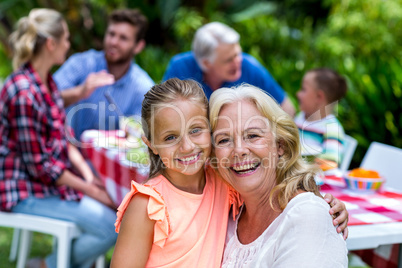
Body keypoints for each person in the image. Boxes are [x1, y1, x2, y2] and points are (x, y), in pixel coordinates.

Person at [111, 78, 348, 267]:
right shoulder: (149, 204)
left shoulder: (221, 183)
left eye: (196, 131)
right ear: (151, 144)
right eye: (170, 137)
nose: (186, 146)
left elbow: (287, 196)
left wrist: (323, 205)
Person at [0, 9, 117, 268]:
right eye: (65, 38)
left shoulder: (44, 82)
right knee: (111, 226)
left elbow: (62, 136)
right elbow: (41, 166)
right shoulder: (24, 94)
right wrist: (90, 190)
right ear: (51, 44)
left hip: (45, 185)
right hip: (23, 191)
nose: (68, 44)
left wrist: (89, 178)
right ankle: (48, 265)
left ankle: (53, 263)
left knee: (111, 213)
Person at [209, 84, 348, 267]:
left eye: (252, 135)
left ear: (280, 145)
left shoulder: (306, 216)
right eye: (224, 140)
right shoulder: (226, 211)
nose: (239, 150)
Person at [54, 9, 154, 141]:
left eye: (123, 38)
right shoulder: (82, 63)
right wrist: (80, 92)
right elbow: (44, 99)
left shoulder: (143, 87)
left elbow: (141, 137)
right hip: (67, 153)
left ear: (138, 46)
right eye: (111, 34)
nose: (114, 42)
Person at [162, 22, 296, 116]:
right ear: (207, 63)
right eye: (229, 60)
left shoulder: (248, 65)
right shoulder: (180, 68)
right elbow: (161, 111)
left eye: (237, 54)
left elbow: (287, 109)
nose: (237, 61)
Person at [295, 68, 348, 170]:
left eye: (303, 89)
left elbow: (330, 163)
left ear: (319, 97)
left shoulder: (332, 129)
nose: (298, 94)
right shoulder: (299, 118)